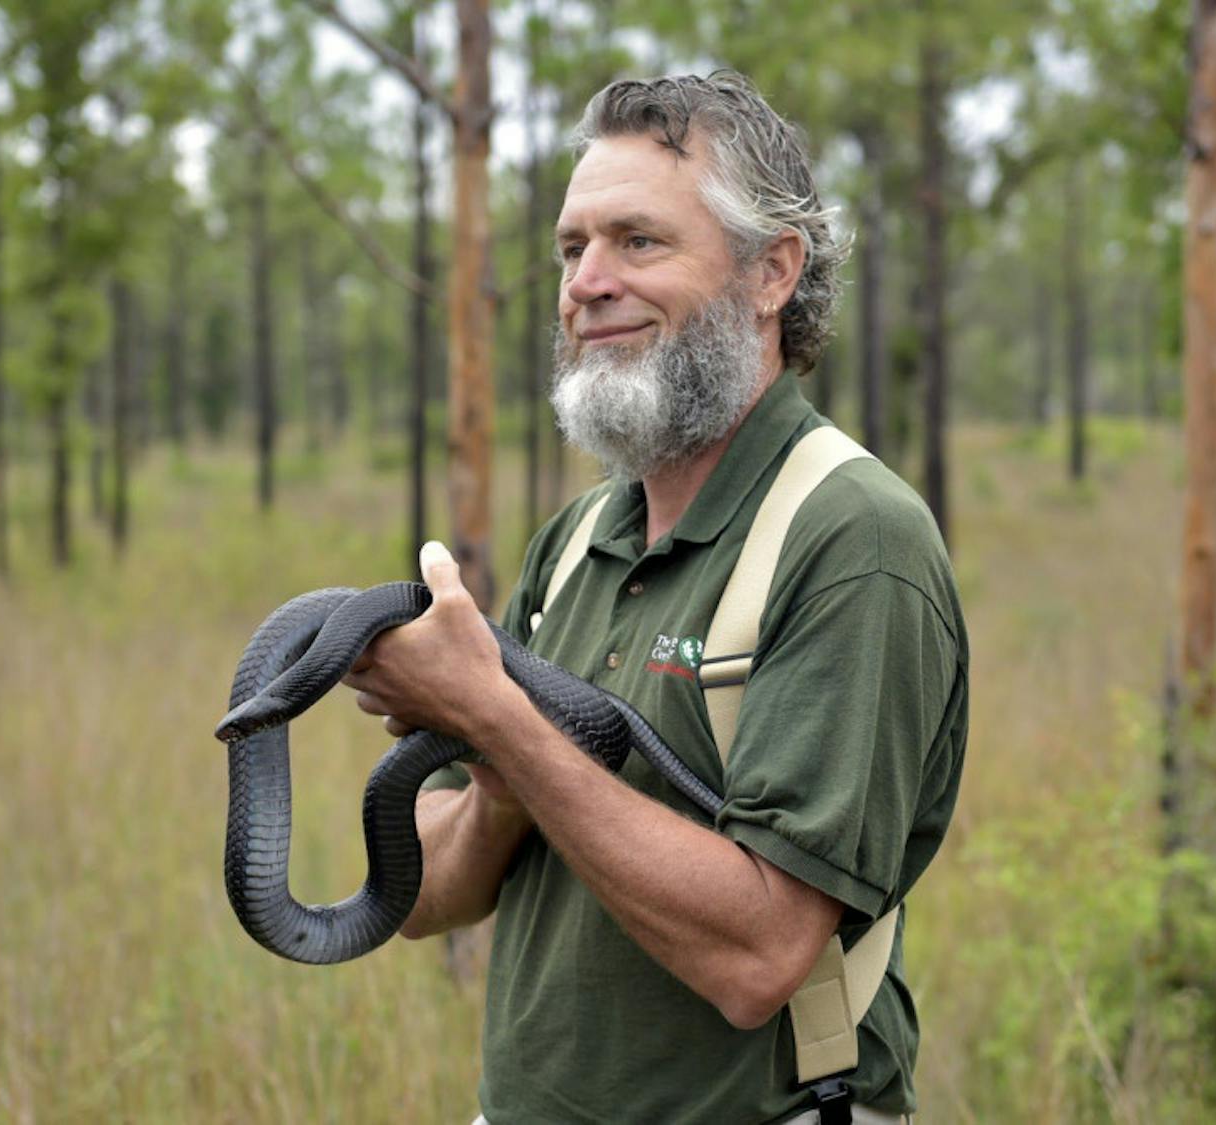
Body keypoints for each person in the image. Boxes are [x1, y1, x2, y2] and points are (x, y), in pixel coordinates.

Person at [343, 71, 968, 1125]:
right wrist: (497, 764)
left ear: (773, 273)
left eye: (638, 242)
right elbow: (431, 898)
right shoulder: (580, 540)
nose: (586, 282)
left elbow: (761, 955)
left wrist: (499, 716)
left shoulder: (855, 540)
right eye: (570, 248)